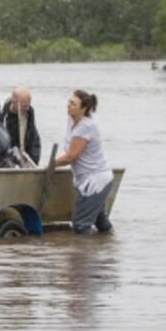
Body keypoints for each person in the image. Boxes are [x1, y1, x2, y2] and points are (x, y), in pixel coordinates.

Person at [53, 90, 113, 235]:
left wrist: (50, 165)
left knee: (80, 224)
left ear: (83, 108)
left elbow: (70, 157)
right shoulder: (71, 120)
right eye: (69, 102)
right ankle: (109, 249)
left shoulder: (86, 126)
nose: (69, 105)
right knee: (101, 222)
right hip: (89, 179)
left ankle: (83, 256)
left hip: (95, 181)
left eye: (73, 104)